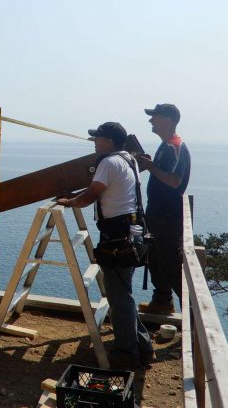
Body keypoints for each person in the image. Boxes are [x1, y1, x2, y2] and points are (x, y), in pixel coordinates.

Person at [57, 122, 154, 368]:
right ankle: (143, 347)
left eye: (98, 138)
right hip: (133, 232)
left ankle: (126, 353)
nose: (95, 142)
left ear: (109, 141)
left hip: (118, 236)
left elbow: (90, 195)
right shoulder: (128, 159)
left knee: (119, 297)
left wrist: (69, 201)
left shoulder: (108, 163)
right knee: (124, 295)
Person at [136, 104, 191, 315]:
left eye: (154, 117)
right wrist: (151, 164)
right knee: (156, 258)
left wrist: (150, 167)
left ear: (168, 119)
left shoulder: (174, 145)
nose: (151, 121)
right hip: (159, 213)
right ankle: (162, 301)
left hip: (167, 215)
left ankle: (194, 316)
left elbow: (174, 181)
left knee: (170, 263)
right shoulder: (165, 145)